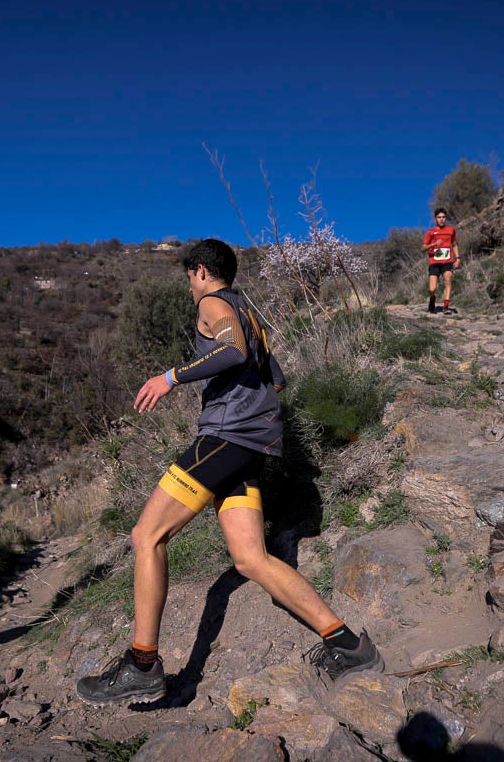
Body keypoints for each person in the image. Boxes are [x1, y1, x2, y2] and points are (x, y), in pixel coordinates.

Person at [76, 239, 382, 706]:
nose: (190, 287)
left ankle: (142, 664)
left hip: (224, 440)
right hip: (253, 444)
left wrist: (171, 377)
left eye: (188, 278)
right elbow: (275, 375)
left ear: (200, 270)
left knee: (146, 537)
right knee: (250, 560)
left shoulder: (214, 302)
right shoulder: (248, 310)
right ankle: (347, 645)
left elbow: (234, 351)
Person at [422, 208, 461, 313]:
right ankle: (432, 299)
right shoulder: (431, 232)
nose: (441, 219)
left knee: (448, 280)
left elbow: (454, 244)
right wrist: (433, 244)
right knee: (432, 289)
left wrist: (457, 258)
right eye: (439, 217)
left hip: (447, 262)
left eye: (443, 217)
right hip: (434, 263)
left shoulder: (451, 230)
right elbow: (423, 248)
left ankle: (446, 306)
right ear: (435, 219)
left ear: (446, 218)